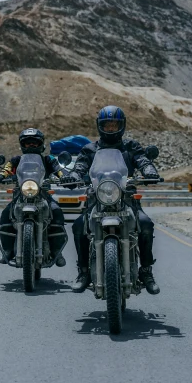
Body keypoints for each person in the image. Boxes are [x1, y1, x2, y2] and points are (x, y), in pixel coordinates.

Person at [67, 106, 161, 295]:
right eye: (107, 125)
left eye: (114, 125)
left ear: (122, 126)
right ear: (100, 126)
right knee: (79, 226)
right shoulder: (90, 149)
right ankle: (83, 272)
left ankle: (146, 271)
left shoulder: (130, 147)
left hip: (126, 199)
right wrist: (73, 175)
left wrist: (149, 171)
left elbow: (142, 160)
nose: (110, 129)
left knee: (146, 225)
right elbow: (80, 165)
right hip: (97, 200)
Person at [0, 128, 68, 267]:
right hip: (21, 195)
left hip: (43, 194)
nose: (31, 146)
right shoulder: (17, 160)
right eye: (28, 143)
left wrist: (65, 177)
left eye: (34, 143)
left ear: (41, 144)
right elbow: (7, 169)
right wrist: (0, 176)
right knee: (5, 215)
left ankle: (57, 250)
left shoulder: (48, 159)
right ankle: (8, 251)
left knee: (57, 212)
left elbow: (59, 170)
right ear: (22, 145)